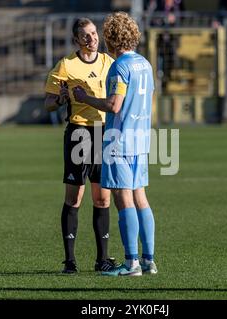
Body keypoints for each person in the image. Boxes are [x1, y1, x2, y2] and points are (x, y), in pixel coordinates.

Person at [73, 12, 157, 276]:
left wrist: (85, 98)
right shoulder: (145, 64)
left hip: (119, 140)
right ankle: (148, 260)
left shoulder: (119, 67)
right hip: (141, 138)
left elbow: (114, 104)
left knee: (124, 198)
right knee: (141, 197)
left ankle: (131, 263)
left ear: (110, 38)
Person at [44, 17, 117, 274]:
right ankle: (70, 262)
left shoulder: (110, 63)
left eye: (94, 33)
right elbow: (49, 103)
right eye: (86, 35)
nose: (92, 38)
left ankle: (103, 260)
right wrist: (61, 99)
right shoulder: (66, 65)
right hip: (79, 133)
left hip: (104, 134)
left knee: (102, 198)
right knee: (75, 198)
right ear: (77, 40)